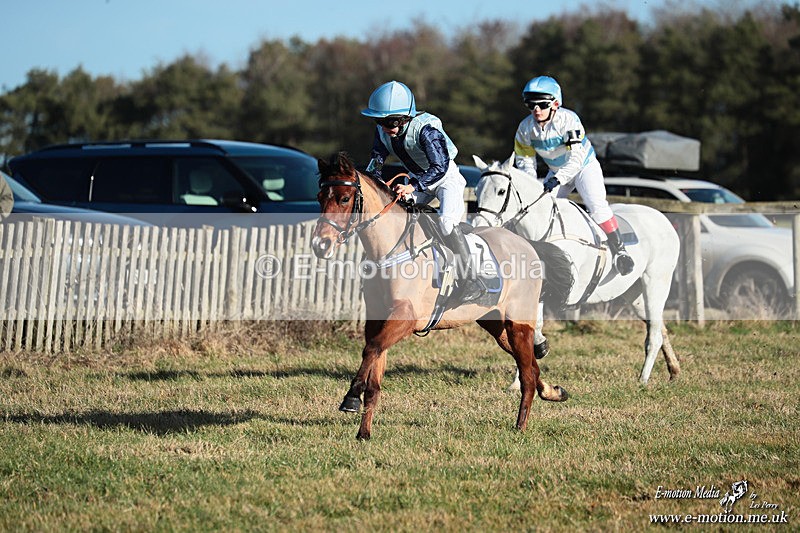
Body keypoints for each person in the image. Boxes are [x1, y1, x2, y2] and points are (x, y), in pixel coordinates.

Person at [361, 80, 483, 301]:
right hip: (418, 179)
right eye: (380, 121)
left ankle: (472, 280)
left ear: (406, 117)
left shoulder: (427, 129)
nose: (386, 128)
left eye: (392, 121)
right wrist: (372, 184)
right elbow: (376, 161)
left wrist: (413, 186)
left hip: (446, 180)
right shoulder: (382, 132)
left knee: (446, 224)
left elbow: (440, 167)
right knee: (395, 213)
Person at [513, 75, 634, 275]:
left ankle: (620, 251)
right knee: (538, 208)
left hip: (583, 166)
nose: (536, 110)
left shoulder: (568, 120)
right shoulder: (525, 128)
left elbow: (576, 158)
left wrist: (558, 178)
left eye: (542, 104)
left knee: (596, 206)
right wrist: (532, 185)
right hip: (556, 171)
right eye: (530, 104)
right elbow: (525, 161)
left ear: (555, 104)